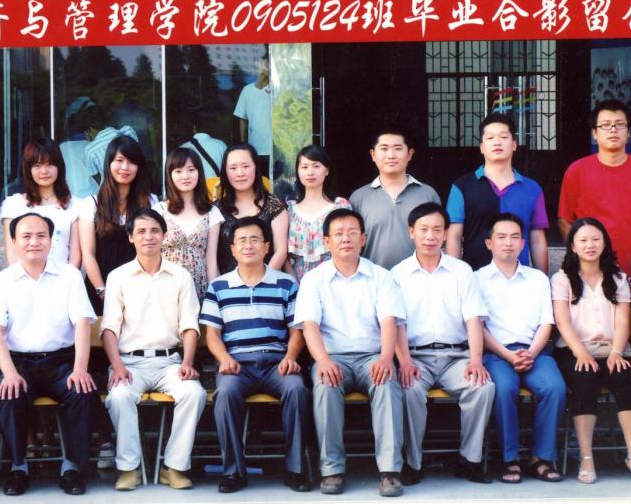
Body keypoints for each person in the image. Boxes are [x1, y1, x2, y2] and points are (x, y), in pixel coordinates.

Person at [294, 208, 406, 497]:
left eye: (352, 233)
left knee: (386, 381)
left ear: (363, 239)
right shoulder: (314, 279)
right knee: (324, 383)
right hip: (333, 358)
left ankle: (390, 470)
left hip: (372, 356)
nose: (346, 239)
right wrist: (322, 360)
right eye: (339, 234)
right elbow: (309, 326)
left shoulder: (381, 277)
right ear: (327, 241)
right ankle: (331, 470)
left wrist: (386, 358)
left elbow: (389, 321)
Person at [0, 213, 98, 496]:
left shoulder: (70, 275)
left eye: (41, 236)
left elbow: (82, 323)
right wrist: (9, 373)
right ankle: (18, 468)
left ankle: (71, 467)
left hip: (62, 362)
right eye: (26, 236)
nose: (34, 242)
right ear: (13, 242)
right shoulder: (1, 281)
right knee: (9, 393)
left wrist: (80, 368)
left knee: (83, 392)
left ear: (51, 240)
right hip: (19, 363)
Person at [201, 217, 311, 493]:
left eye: (254, 240)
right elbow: (212, 334)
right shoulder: (218, 287)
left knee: (297, 390)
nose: (248, 245)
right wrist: (224, 358)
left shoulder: (286, 283)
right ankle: (233, 472)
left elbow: (297, 329)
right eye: (241, 241)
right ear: (232, 249)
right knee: (225, 394)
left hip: (276, 363)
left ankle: (295, 469)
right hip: (237, 364)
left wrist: (290, 357)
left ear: (266, 247)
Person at [101, 209, 206, 491]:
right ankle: (129, 468)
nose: (148, 237)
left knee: (193, 393)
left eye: (155, 231)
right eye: (141, 231)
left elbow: (190, 324)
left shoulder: (180, 276)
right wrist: (117, 366)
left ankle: (174, 467)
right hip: (129, 363)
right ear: (131, 237)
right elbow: (109, 328)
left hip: (169, 362)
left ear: (164, 236)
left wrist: (187, 362)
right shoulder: (118, 277)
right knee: (119, 397)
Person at [390, 202, 494, 485]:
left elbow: (474, 319)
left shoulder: (462, 271)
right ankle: (413, 462)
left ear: (446, 234)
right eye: (423, 229)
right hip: (416, 357)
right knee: (409, 389)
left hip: (456, 357)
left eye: (437, 230)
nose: (430, 236)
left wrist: (476, 360)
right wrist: (405, 362)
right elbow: (397, 323)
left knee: (482, 387)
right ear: (411, 232)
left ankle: (469, 460)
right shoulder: (397, 274)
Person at [552, 218, 631, 485]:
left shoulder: (617, 278)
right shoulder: (561, 279)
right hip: (574, 350)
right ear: (573, 246)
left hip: (614, 348)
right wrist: (581, 353)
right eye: (583, 240)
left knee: (627, 380)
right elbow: (562, 322)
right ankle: (586, 458)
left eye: (596, 239)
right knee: (584, 381)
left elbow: (622, 322)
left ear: (605, 243)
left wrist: (617, 352)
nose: (590, 245)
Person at [477, 213, 566, 484]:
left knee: (554, 387)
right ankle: (510, 458)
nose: (508, 243)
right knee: (503, 389)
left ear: (523, 243)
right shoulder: (477, 279)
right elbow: (478, 326)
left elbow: (546, 322)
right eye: (501, 237)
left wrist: (532, 353)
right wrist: (507, 354)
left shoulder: (537, 279)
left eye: (515, 237)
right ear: (489, 243)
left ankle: (541, 457)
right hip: (497, 354)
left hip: (535, 351)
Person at [558, 100, 631, 281]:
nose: (613, 130)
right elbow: (564, 220)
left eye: (620, 125)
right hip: (589, 271)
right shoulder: (577, 171)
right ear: (595, 133)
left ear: (628, 131)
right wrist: (582, 255)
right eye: (606, 125)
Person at [446, 113, 548, 272]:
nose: (497, 142)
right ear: (482, 147)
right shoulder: (461, 187)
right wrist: (454, 279)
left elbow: (537, 240)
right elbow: (454, 237)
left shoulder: (532, 189)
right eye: (490, 138)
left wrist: (542, 280)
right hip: (474, 278)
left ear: (514, 145)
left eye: (503, 137)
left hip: (518, 278)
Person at [80, 135, 158, 314]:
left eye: (131, 162)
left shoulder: (150, 202)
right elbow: (88, 255)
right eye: (119, 160)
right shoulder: (91, 204)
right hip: (99, 290)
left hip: (140, 291)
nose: (125, 167)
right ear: (108, 164)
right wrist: (102, 291)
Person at [351, 128, 441, 270]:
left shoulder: (428, 194)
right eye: (384, 149)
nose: (391, 155)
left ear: (409, 154)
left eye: (398, 148)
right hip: (372, 278)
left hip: (418, 277)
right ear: (373, 155)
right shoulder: (359, 197)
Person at [0, 137, 82, 268]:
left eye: (50, 164)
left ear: (59, 166)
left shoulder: (74, 205)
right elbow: (13, 257)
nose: (44, 171)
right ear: (28, 169)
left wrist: (67, 279)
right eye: (37, 165)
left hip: (63, 278)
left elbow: (75, 258)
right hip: (23, 279)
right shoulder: (13, 205)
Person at [156, 147, 224, 301]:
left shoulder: (212, 212)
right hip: (164, 288)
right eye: (178, 171)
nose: (185, 176)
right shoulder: (159, 210)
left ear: (199, 172)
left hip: (199, 288)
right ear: (170, 175)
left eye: (191, 170)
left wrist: (216, 298)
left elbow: (211, 260)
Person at [216, 143, 288, 273]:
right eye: (233, 168)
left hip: (268, 281)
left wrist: (261, 280)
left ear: (256, 167)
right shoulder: (217, 209)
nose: (240, 173)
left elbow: (281, 251)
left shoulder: (274, 205)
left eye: (245, 166)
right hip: (227, 283)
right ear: (225, 172)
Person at [287, 145, 351, 281]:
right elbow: (284, 256)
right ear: (298, 171)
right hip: (298, 280)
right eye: (304, 167)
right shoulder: (289, 210)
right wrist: (294, 285)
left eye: (316, 166)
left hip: (335, 279)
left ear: (327, 170)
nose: (310, 172)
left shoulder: (340, 206)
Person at [234, 51, 272, 161]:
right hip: (254, 147)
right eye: (264, 65)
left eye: (268, 66)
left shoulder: (275, 90)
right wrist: (243, 144)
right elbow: (242, 119)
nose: (266, 68)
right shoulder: (247, 90)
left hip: (272, 147)